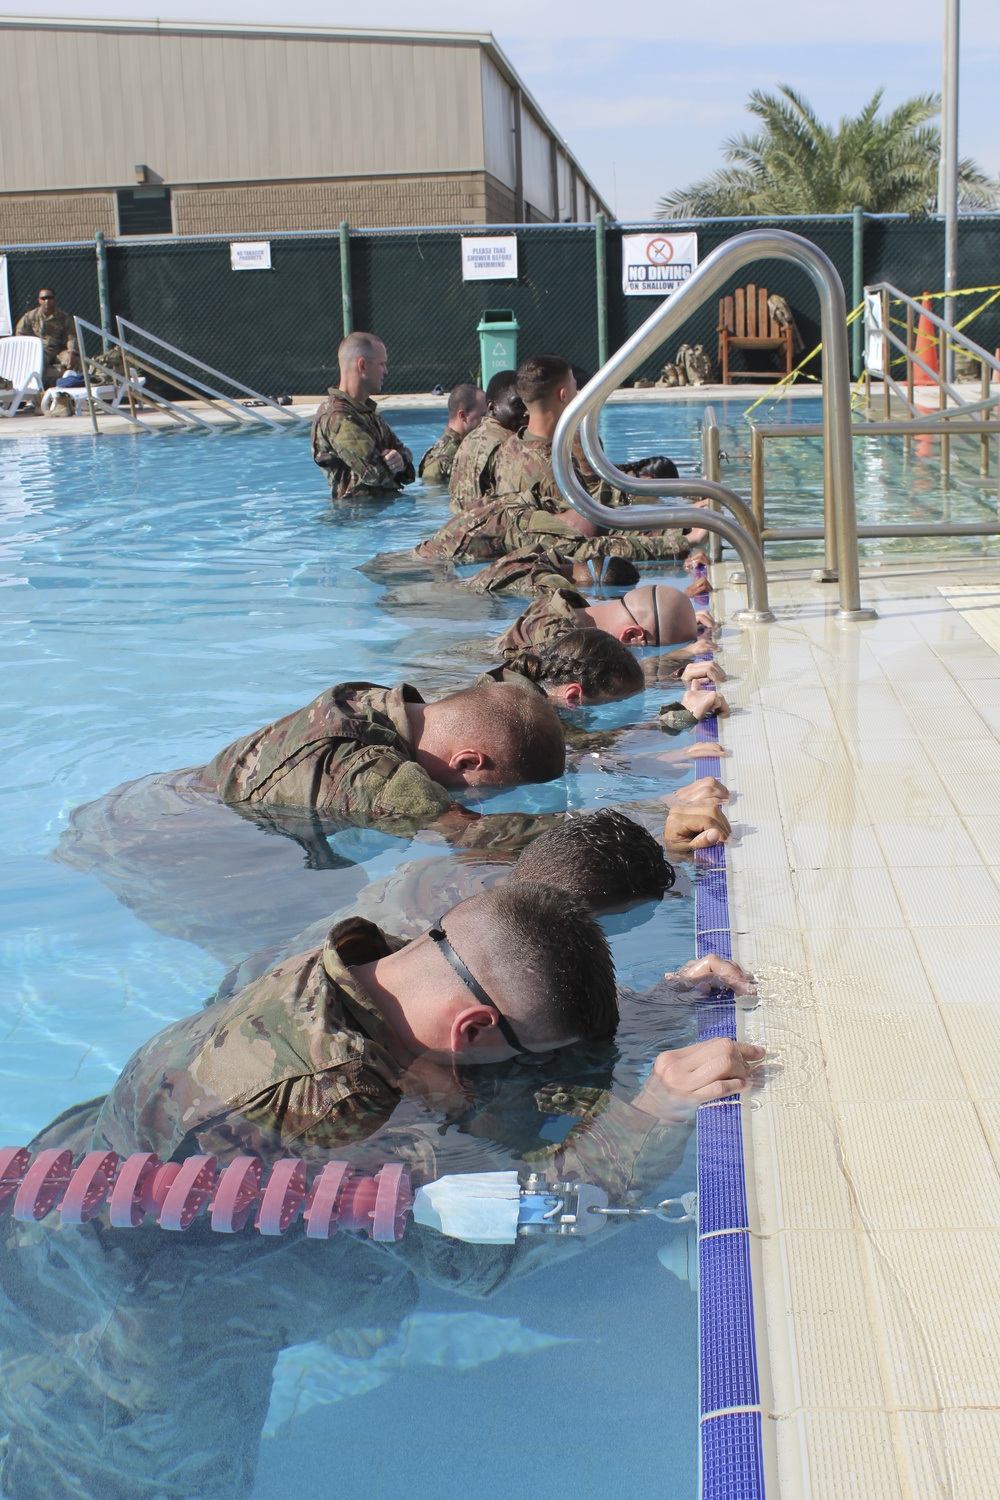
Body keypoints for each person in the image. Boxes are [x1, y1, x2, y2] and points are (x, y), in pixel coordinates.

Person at [54, 679, 567, 967]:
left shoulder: (383, 707)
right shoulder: (370, 775)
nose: (479, 800)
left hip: (159, 798)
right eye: (487, 791)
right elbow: (470, 835)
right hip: (157, 842)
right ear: (469, 762)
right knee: (302, 962)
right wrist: (632, 819)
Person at [310, 332, 415, 501]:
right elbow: (374, 473)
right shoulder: (338, 416)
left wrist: (400, 459)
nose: (386, 371)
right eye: (381, 364)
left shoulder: (365, 410)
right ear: (363, 366)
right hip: (357, 519)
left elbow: (403, 453)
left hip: (381, 511)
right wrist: (396, 463)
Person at [493, 580, 706, 659]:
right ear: (632, 635)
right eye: (654, 649)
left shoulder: (562, 607)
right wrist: (671, 660)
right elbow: (594, 679)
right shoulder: (555, 641)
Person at [448, 370, 526, 513]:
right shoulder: (508, 445)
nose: (527, 412)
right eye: (518, 405)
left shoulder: (468, 441)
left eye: (528, 404)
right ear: (491, 408)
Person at [418, 383, 486, 484]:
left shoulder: (465, 446)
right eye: (483, 415)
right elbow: (434, 497)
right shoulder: (441, 462)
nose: (487, 421)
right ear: (462, 415)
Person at [15, 287, 79, 387]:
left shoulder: (63, 317)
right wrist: (29, 349)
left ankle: (70, 393)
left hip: (58, 349)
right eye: (43, 298)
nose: (47, 301)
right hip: (42, 349)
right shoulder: (31, 316)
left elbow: (72, 335)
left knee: (74, 361)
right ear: (39, 300)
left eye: (50, 298)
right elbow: (20, 332)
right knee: (35, 362)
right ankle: (33, 395)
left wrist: (71, 352)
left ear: (54, 299)